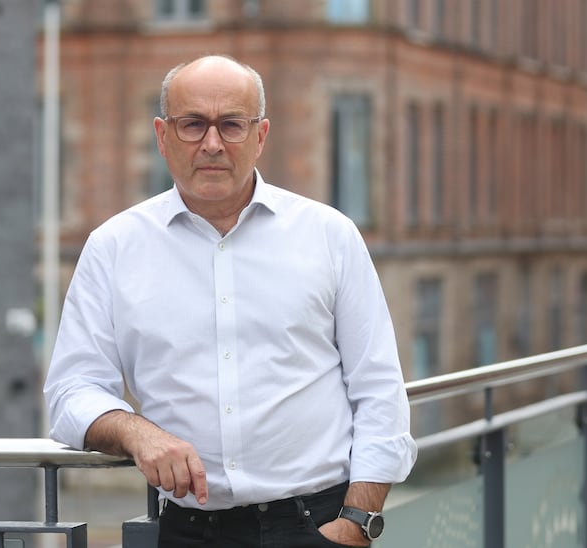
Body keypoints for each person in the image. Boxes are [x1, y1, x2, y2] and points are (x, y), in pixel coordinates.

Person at [44, 54, 417, 547]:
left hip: (318, 524)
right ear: (162, 136)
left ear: (261, 135)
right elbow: (71, 390)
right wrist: (136, 431)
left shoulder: (330, 235)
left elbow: (379, 388)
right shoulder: (113, 248)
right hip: (191, 531)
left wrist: (356, 522)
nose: (212, 144)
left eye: (231, 125)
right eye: (193, 124)